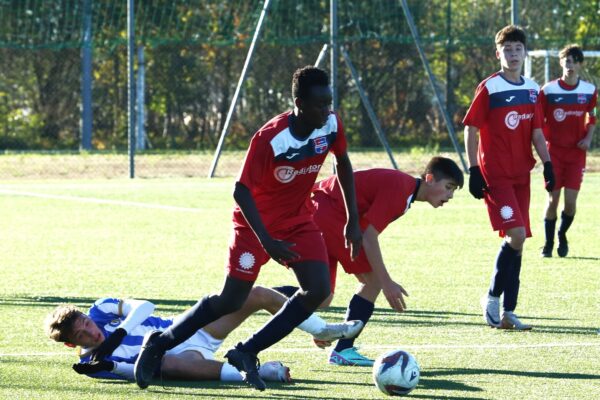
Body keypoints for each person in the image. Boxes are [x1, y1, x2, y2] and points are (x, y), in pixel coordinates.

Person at [133, 66, 362, 391]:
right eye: (318, 105)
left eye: (329, 102)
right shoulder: (270, 138)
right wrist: (267, 241)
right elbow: (241, 191)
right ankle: (159, 342)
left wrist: (353, 219)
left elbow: (343, 162)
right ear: (298, 102)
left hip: (297, 220)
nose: (326, 111)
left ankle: (246, 351)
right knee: (230, 299)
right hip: (254, 226)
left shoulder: (332, 123)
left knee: (318, 290)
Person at [274, 157, 464, 366]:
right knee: (373, 282)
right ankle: (343, 349)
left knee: (322, 298)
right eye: (448, 187)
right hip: (330, 215)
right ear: (429, 178)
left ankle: (259, 295)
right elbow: (368, 238)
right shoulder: (401, 190)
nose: (450, 195)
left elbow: (365, 232)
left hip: (321, 212)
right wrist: (387, 282)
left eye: (453, 190)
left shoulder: (405, 191)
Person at [44, 286, 363, 383]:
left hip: (189, 329)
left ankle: (318, 329)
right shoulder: (91, 362)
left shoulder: (101, 307)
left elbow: (145, 305)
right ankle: (252, 372)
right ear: (73, 344)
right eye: (82, 334)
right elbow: (137, 373)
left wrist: (120, 332)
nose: (91, 330)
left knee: (253, 294)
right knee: (165, 366)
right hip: (183, 358)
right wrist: (109, 366)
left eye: (86, 321)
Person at [463, 25, 555, 331]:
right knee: (515, 235)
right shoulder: (489, 88)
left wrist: (548, 164)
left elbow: (538, 132)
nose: (513, 54)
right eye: (507, 49)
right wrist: (474, 169)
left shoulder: (532, 89)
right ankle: (491, 298)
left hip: (521, 176)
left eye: (518, 48)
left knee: (519, 242)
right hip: (496, 176)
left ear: (525, 53)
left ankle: (508, 312)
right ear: (498, 53)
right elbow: (471, 128)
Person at [539, 44, 597, 258]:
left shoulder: (589, 91)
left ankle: (562, 235)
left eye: (573, 61)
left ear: (580, 64)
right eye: (566, 60)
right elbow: (538, 119)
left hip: (576, 155)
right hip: (553, 153)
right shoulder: (549, 90)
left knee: (570, 203)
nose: (569, 64)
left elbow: (593, 117)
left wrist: (588, 137)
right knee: (552, 200)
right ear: (561, 63)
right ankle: (548, 243)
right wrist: (542, 141)